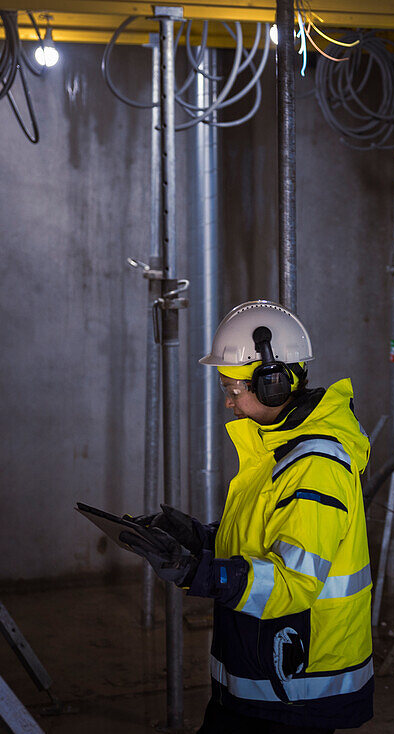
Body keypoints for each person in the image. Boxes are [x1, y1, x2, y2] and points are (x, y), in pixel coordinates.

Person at [123, 300, 374, 733]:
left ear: (273, 384)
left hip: (294, 691)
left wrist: (198, 572)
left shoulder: (315, 465)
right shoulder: (276, 450)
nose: (227, 403)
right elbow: (266, 538)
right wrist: (201, 540)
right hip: (264, 676)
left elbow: (293, 582)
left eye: (232, 390)